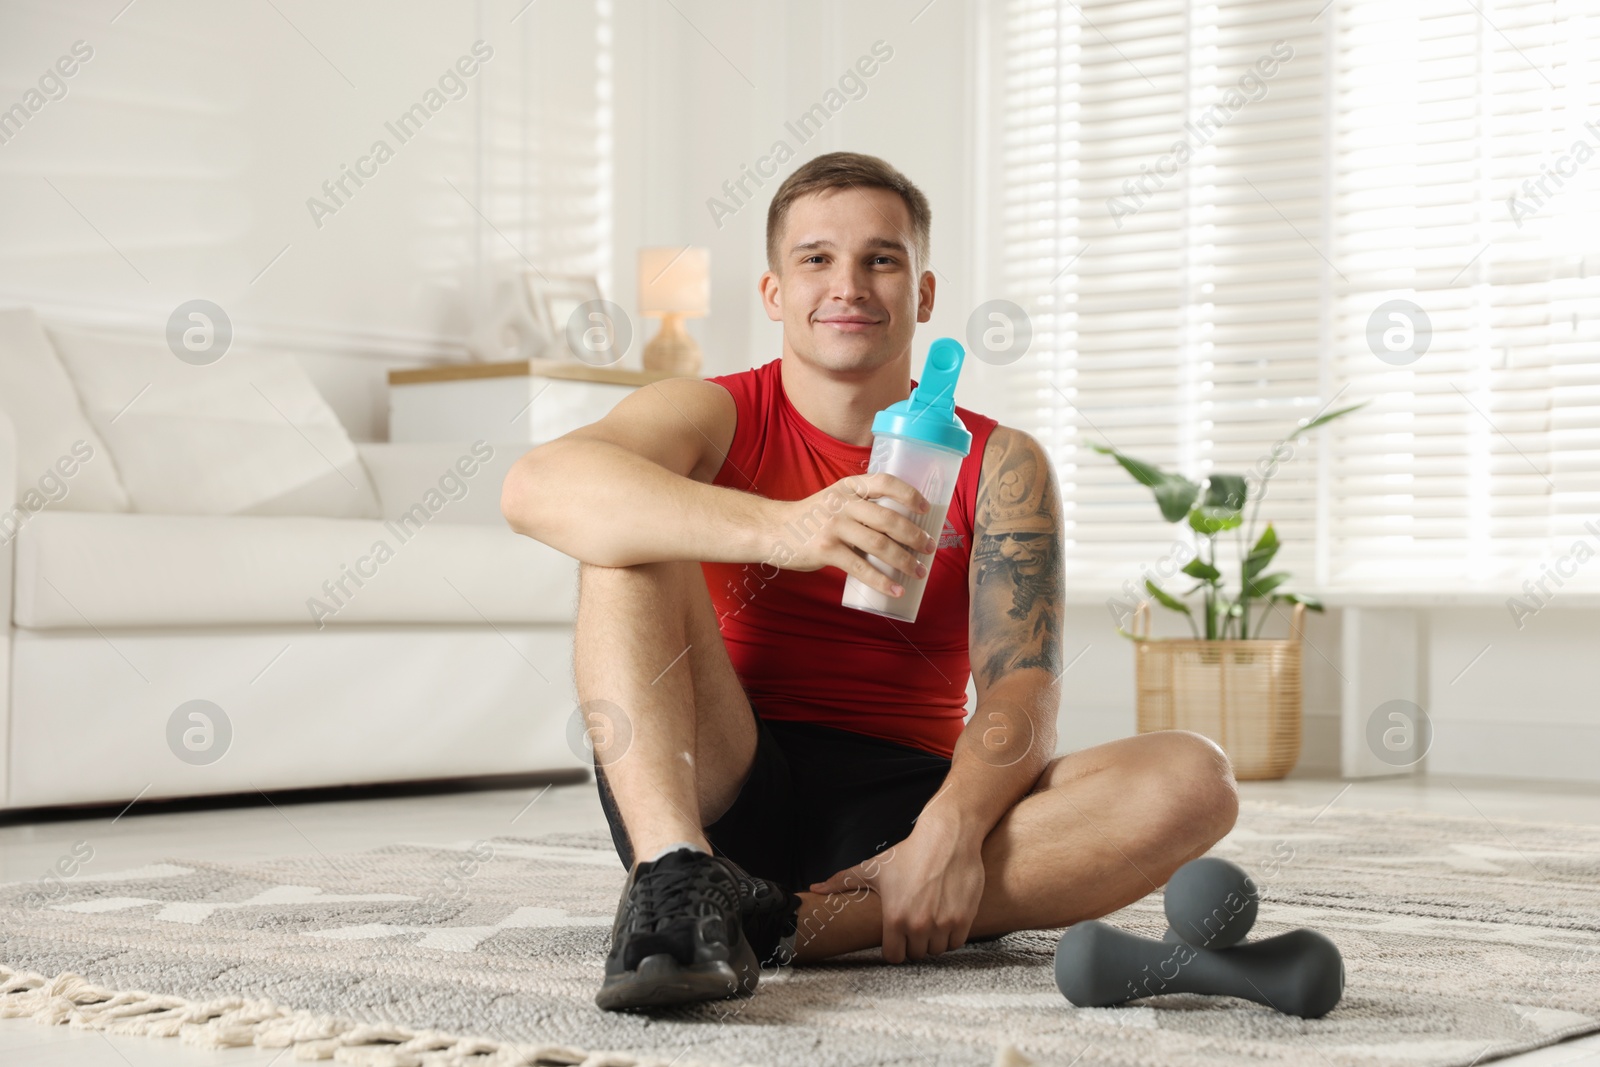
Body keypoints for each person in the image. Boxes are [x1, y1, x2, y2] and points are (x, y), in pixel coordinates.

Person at [500, 151, 1239, 1013]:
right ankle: (678, 878)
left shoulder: (1000, 461)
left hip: (905, 802)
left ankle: (776, 923)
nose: (847, 283)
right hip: (719, 774)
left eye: (881, 259)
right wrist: (791, 526)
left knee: (1196, 780)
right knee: (623, 529)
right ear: (775, 293)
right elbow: (535, 487)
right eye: (816, 258)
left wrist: (953, 827)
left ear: (923, 295)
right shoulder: (712, 413)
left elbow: (1021, 686)